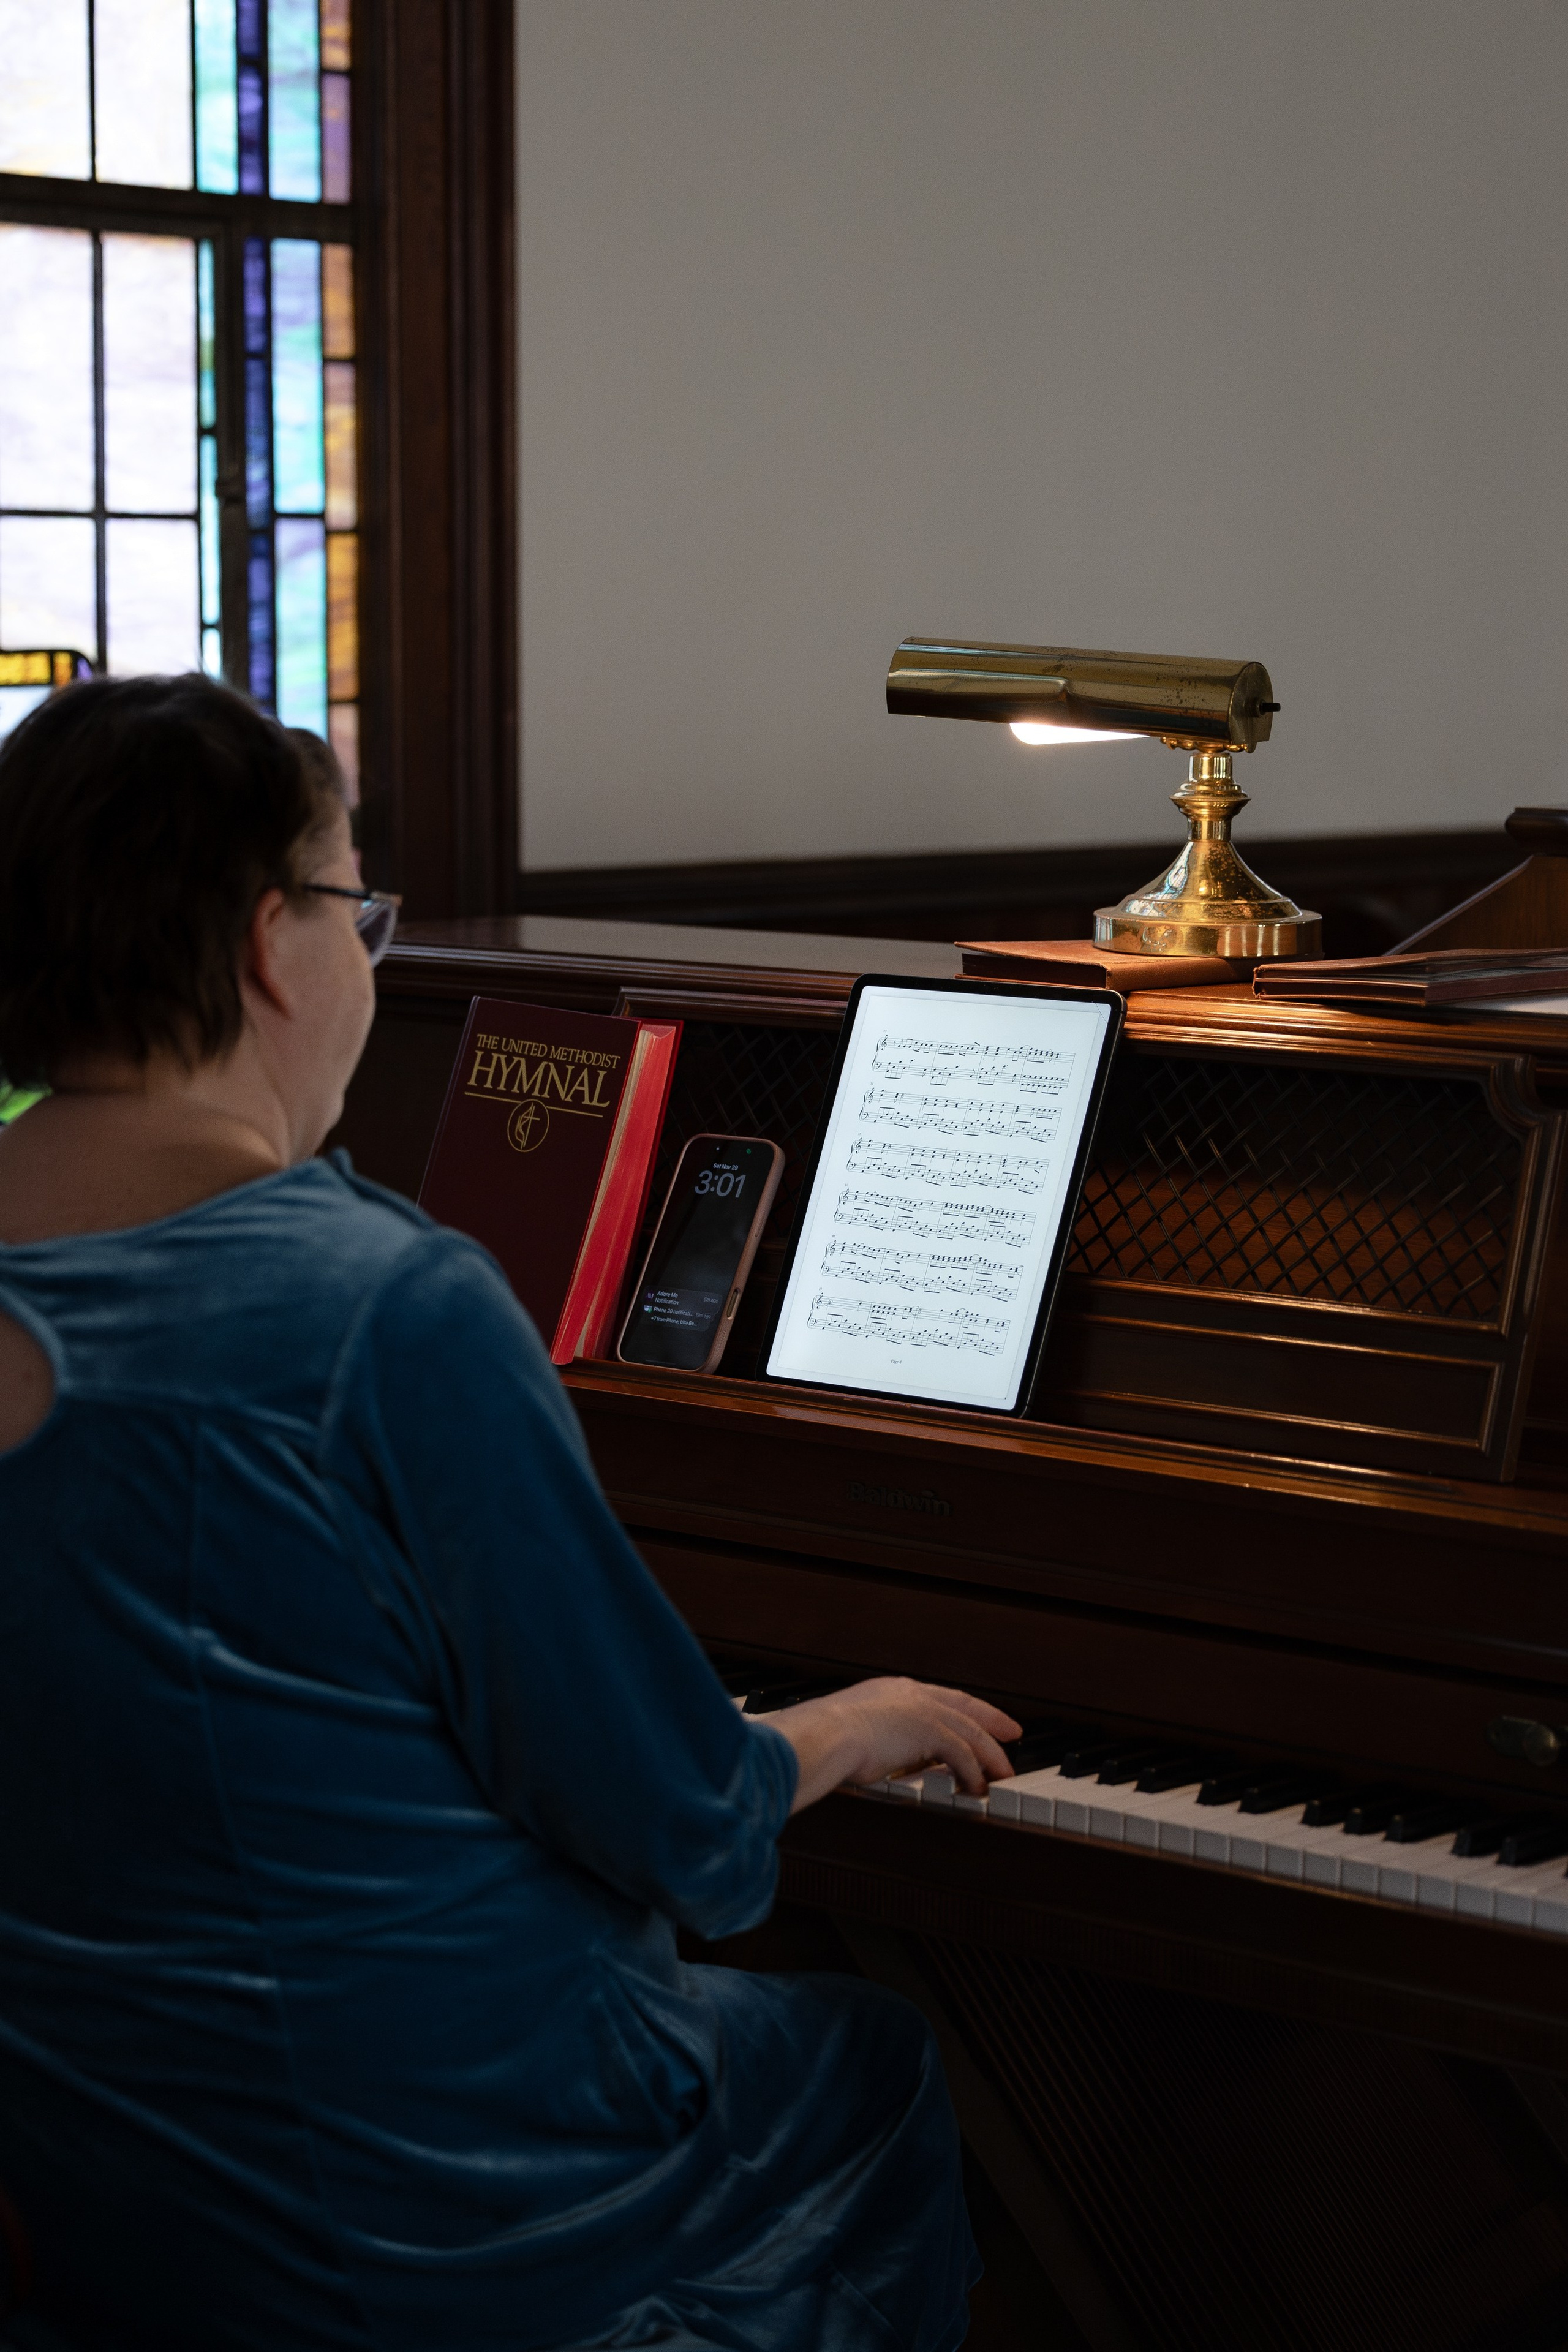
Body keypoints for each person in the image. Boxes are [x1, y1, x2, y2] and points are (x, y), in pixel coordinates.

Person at [0, 676, 1022, 2352]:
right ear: (273, 944)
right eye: (358, 909)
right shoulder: (377, 1306)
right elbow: (679, 1823)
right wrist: (850, 1720)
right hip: (447, 2200)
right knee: (871, 2064)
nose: (364, 959)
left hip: (98, 2181)